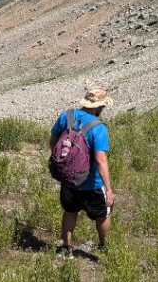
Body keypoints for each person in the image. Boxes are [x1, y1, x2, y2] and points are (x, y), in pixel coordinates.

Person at [49, 86, 114, 257]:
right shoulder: (99, 127)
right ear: (98, 107)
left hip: (69, 179)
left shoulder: (67, 116)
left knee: (70, 211)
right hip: (92, 183)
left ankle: (66, 248)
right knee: (102, 215)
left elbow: (53, 141)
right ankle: (103, 246)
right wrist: (108, 189)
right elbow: (100, 160)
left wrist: (63, 164)